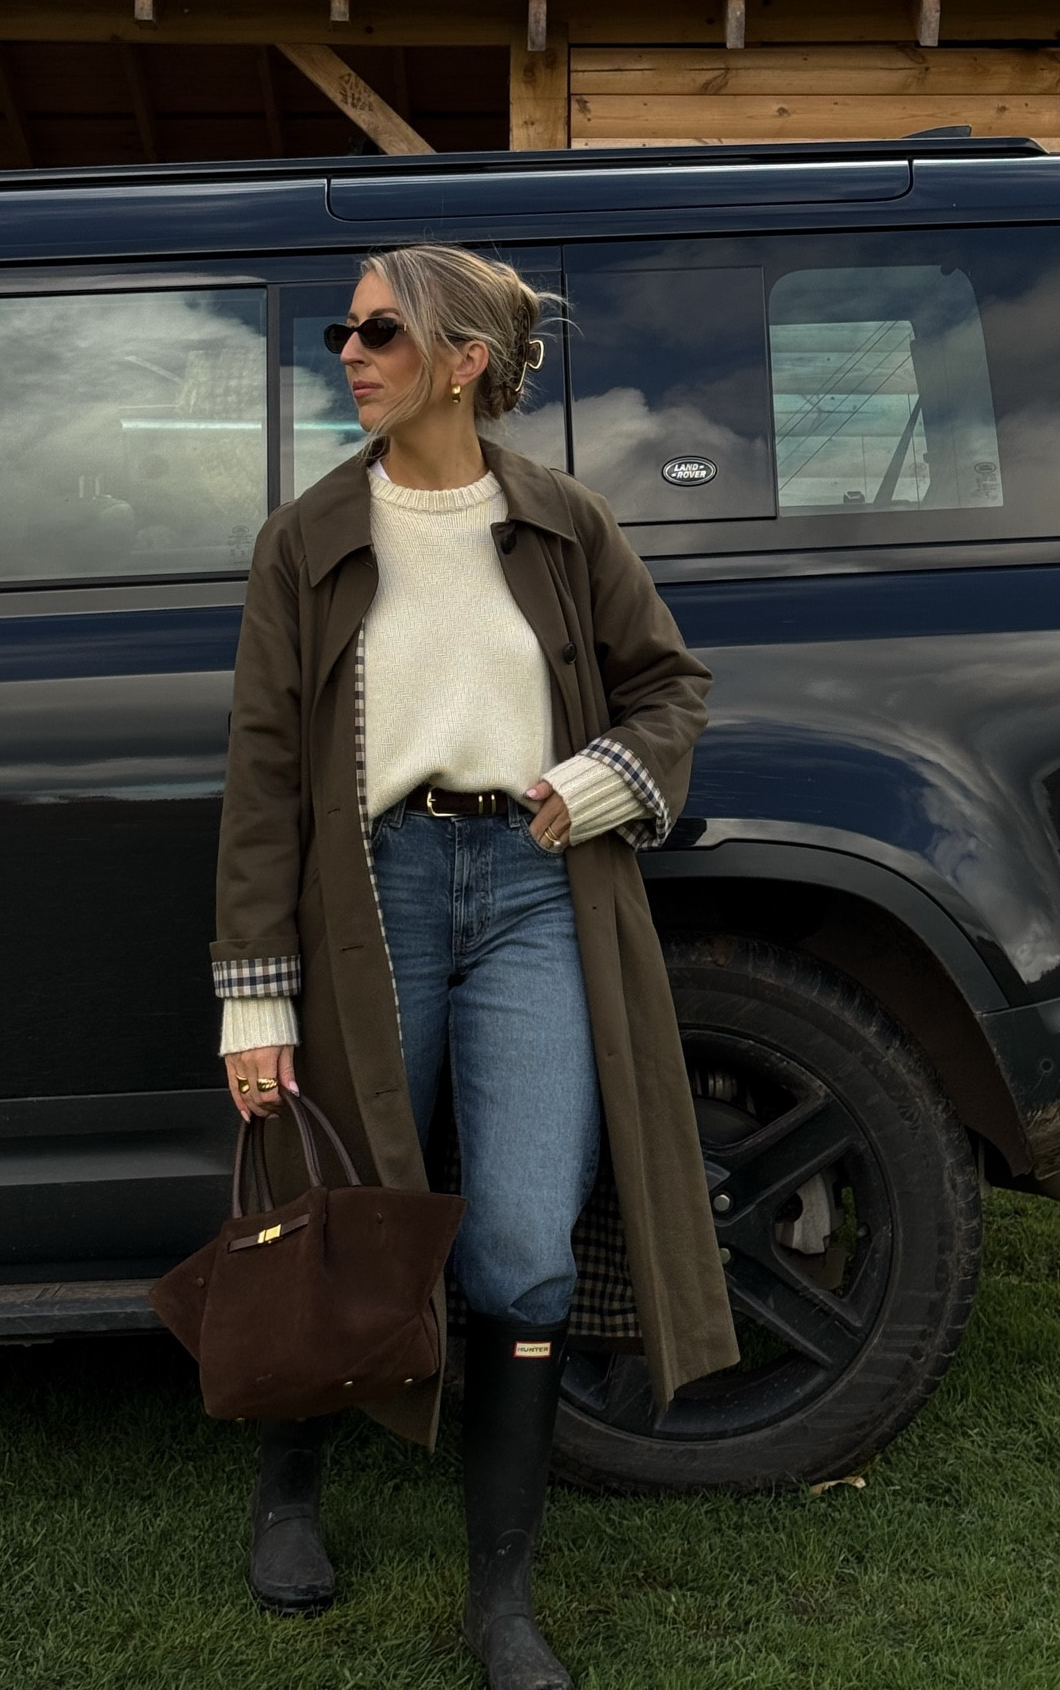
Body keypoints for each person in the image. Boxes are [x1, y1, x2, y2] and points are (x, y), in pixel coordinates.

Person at [213, 244, 737, 1690]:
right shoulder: (307, 540)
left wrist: (606, 780)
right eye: (344, 329)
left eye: (379, 330)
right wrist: (254, 996)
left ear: (460, 362)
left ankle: (502, 1601)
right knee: (342, 1210)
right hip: (366, 895)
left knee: (518, 1249)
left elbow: (668, 685)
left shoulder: (561, 524)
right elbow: (262, 775)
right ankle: (289, 1489)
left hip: (529, 891)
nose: (349, 351)